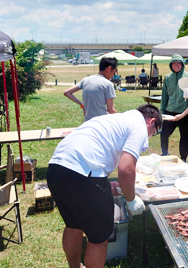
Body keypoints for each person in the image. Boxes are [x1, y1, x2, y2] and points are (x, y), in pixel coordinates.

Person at [47, 104, 162, 268]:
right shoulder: (139, 126)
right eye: (154, 133)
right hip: (83, 175)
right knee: (99, 237)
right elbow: (126, 168)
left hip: (56, 170)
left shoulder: (115, 119)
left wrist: (104, 186)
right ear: (151, 122)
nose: (150, 137)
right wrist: (131, 200)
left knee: (73, 225)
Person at [160, 54, 188, 162]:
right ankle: (164, 153)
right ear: (171, 65)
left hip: (184, 113)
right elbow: (164, 96)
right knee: (164, 133)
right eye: (173, 63)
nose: (176, 65)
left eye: (178, 63)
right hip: (169, 112)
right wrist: (161, 112)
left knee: (184, 136)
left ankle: (183, 158)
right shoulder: (167, 78)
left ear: (182, 64)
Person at [64, 57, 118, 121]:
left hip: (87, 122)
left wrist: (82, 105)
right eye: (114, 72)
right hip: (101, 122)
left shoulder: (86, 80)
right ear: (109, 69)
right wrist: (123, 119)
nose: (113, 75)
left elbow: (67, 92)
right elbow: (111, 110)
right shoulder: (108, 84)